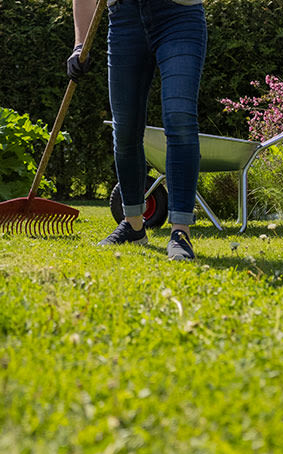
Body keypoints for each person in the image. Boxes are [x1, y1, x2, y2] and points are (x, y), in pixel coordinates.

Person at [68, 0, 207, 260]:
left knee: (179, 118)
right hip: (124, 21)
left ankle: (180, 231)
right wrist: (79, 45)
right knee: (125, 128)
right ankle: (133, 225)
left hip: (179, 15)